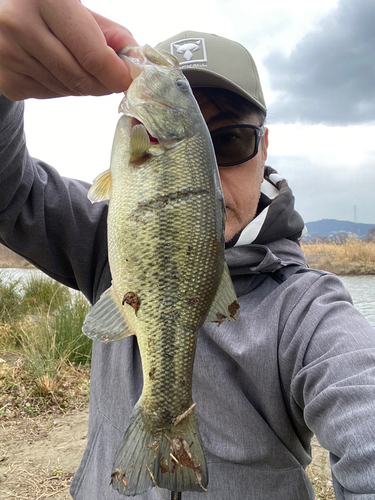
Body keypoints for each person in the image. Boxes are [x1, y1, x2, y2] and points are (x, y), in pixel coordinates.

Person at [1, 2, 375, 499]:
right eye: (201, 141)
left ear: (264, 147)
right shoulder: (103, 243)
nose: (211, 179)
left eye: (233, 140)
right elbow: (10, 191)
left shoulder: (306, 311)